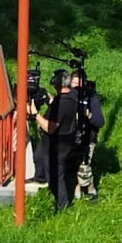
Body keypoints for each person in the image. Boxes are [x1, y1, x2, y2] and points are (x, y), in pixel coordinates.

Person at [30, 70, 80, 210]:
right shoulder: (72, 96)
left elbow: (50, 127)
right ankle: (40, 178)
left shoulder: (62, 104)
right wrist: (50, 101)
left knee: (55, 178)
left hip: (57, 145)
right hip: (62, 142)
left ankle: (63, 206)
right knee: (39, 157)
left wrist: (35, 114)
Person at [70, 70, 105, 202]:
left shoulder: (91, 98)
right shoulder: (68, 97)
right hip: (71, 137)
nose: (75, 87)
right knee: (73, 164)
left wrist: (89, 116)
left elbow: (100, 122)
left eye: (78, 84)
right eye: (73, 83)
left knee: (85, 166)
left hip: (87, 137)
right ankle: (76, 188)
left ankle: (91, 189)